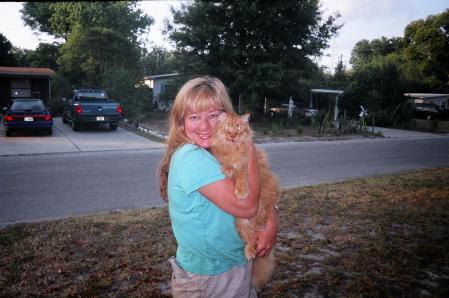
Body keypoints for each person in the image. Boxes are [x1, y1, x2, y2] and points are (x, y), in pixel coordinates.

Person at [158, 76, 278, 297]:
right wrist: (248, 147)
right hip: (210, 278)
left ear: (226, 117)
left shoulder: (215, 149)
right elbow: (248, 208)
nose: (205, 126)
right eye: (194, 117)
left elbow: (261, 186)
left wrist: (271, 218)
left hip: (232, 263)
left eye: (213, 116)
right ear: (181, 122)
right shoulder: (191, 157)